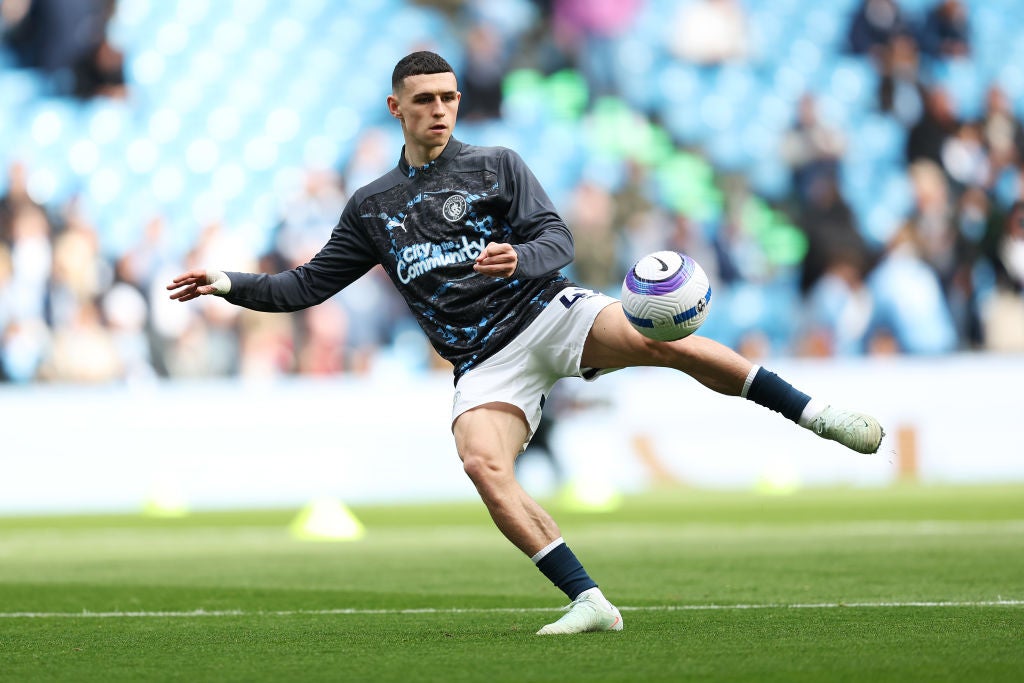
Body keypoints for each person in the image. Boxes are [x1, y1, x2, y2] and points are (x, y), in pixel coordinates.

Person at [167, 51, 884, 635]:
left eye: (448, 97)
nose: (440, 109)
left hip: (546, 310)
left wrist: (524, 258)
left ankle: (819, 413)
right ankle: (588, 599)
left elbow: (557, 237)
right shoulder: (373, 207)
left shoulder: (496, 164)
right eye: (424, 100)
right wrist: (227, 282)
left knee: (665, 340)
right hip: (482, 360)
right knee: (481, 461)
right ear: (397, 109)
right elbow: (303, 287)